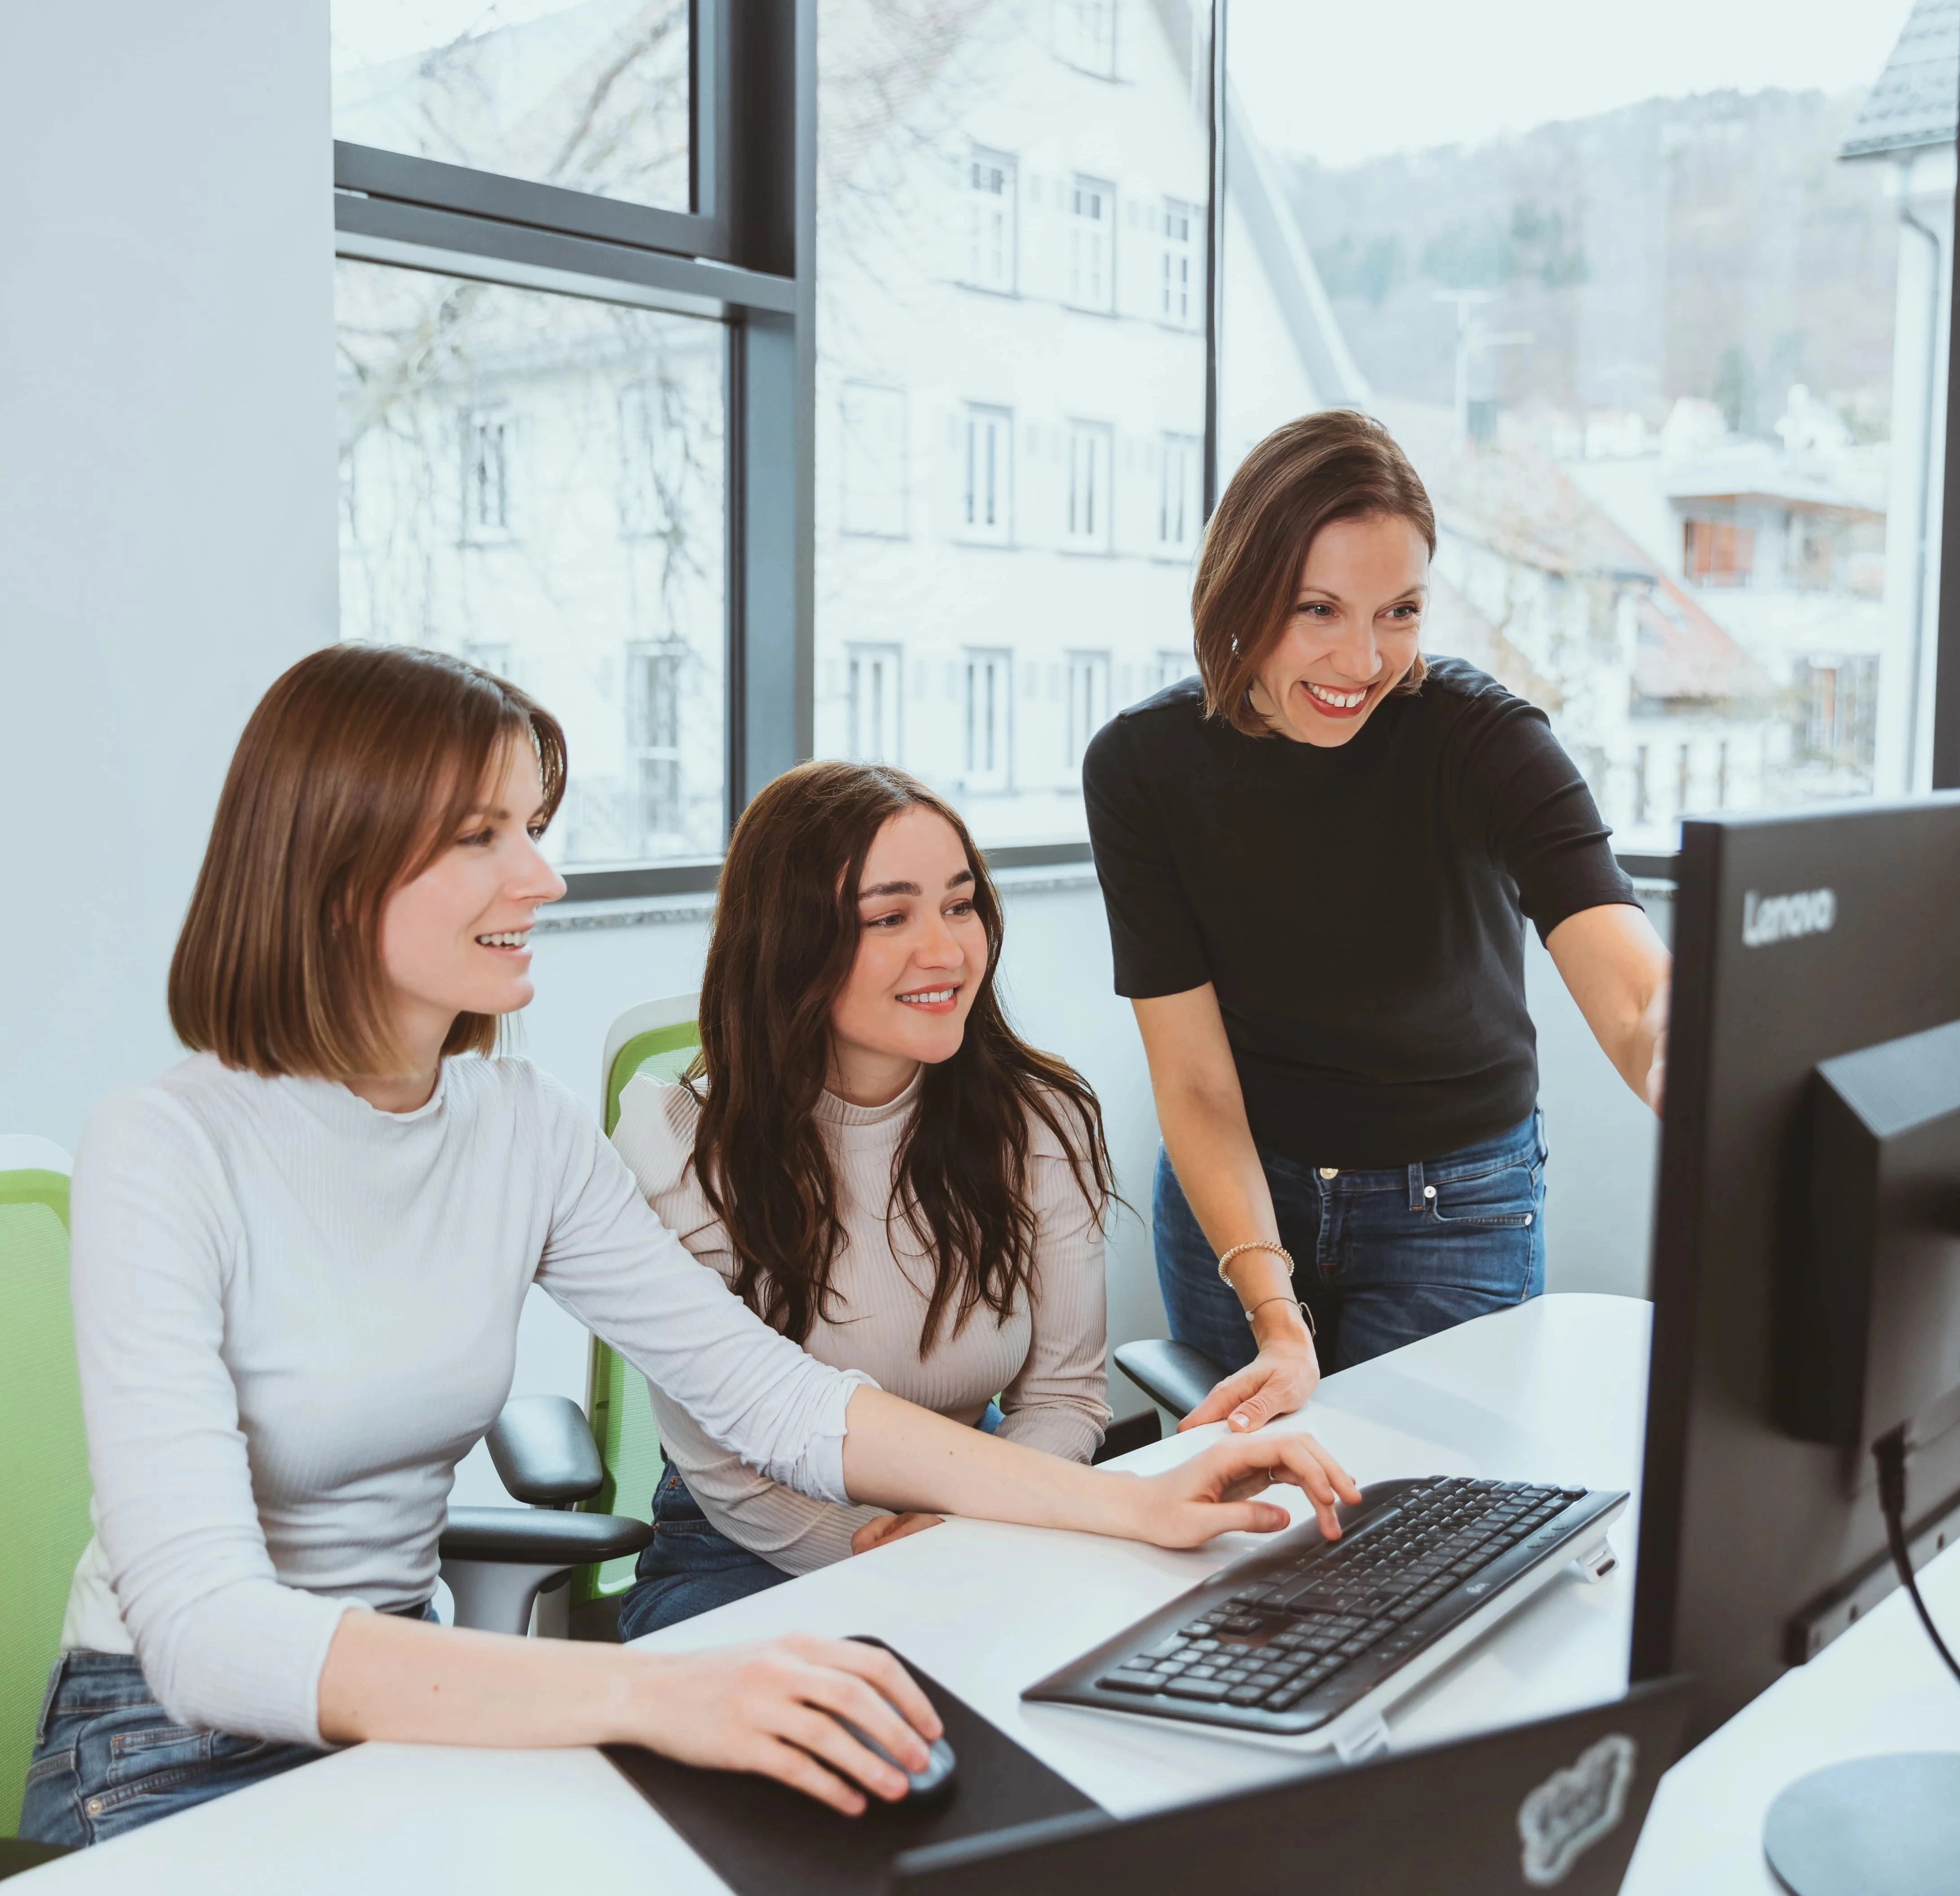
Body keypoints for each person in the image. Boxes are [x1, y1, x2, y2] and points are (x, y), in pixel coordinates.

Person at [23, 644, 1359, 1850]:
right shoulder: (167, 1144)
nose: (541, 877)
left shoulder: (521, 1130)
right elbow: (201, 1637)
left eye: (533, 830)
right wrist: (661, 1691)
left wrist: (1135, 1496)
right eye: (483, 836)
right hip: (158, 1745)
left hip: (402, 1701)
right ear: (332, 868)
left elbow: (771, 1396)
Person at [1083, 410, 1669, 1439]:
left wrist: (1704, 1068)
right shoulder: (1141, 767)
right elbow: (1194, 1080)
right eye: (1319, 609)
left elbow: (1631, 990)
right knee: (1252, 1518)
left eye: (1399, 611)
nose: (1363, 659)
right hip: (1239, 1187)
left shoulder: (1482, 739)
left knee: (1422, 1518)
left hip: (1455, 1203)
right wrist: (1274, 1311)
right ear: (1241, 589)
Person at [612, 763, 1111, 1634]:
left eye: (959, 905)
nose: (947, 950)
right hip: (747, 1543)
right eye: (889, 917)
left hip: (985, 1499)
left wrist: (966, 1533)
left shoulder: (1038, 1116)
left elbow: (1064, 1396)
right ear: (786, 943)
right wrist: (892, 1551)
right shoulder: (679, 1145)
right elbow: (730, 1473)